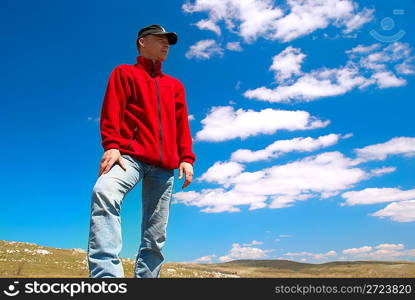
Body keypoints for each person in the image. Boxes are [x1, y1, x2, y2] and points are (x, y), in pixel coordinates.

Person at [87, 24, 196, 278]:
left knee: (155, 233)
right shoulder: (124, 73)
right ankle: (107, 279)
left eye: (168, 40)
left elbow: (182, 125)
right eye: (160, 39)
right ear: (142, 42)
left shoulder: (175, 86)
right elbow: (112, 108)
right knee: (104, 191)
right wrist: (112, 145)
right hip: (129, 158)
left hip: (165, 167)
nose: (166, 44)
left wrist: (186, 158)